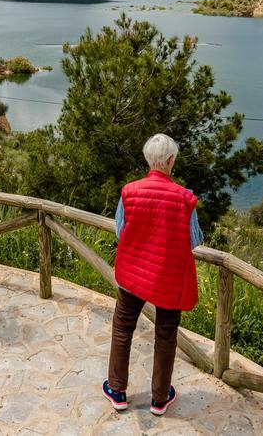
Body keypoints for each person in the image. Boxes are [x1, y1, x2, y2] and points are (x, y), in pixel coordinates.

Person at [103, 133, 203, 416]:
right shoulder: (185, 199)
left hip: (135, 273)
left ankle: (117, 390)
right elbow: (193, 240)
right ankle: (160, 398)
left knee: (123, 327)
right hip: (168, 277)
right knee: (166, 334)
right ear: (170, 161)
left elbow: (121, 231)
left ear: (149, 159)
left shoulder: (129, 191)